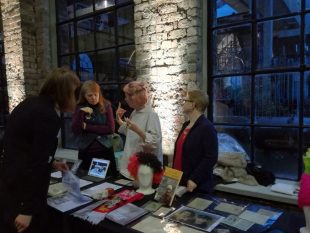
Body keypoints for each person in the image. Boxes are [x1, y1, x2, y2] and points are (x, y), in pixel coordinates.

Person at [0, 67, 80, 233]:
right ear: (64, 93)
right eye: (74, 93)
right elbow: (35, 165)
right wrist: (27, 210)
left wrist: (52, 163)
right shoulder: (47, 116)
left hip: (9, 183)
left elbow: (25, 148)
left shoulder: (30, 103)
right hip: (22, 195)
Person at [173, 90, 218, 193]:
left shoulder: (207, 128)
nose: (183, 103)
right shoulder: (186, 125)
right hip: (180, 182)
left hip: (195, 186)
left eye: (185, 100)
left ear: (193, 104)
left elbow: (211, 157)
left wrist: (194, 179)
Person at [116, 81, 163, 178]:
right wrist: (119, 120)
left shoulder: (151, 115)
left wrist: (137, 130)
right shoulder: (135, 112)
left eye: (127, 96)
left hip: (143, 167)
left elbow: (155, 141)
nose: (125, 99)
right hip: (131, 161)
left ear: (135, 98)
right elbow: (130, 132)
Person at [72, 80, 117, 176]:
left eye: (95, 95)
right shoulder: (80, 107)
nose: (93, 98)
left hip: (104, 148)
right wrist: (81, 113)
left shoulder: (106, 105)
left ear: (99, 94)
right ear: (84, 96)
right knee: (86, 181)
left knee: (108, 180)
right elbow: (76, 130)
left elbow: (110, 129)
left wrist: (86, 126)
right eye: (90, 95)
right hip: (86, 150)